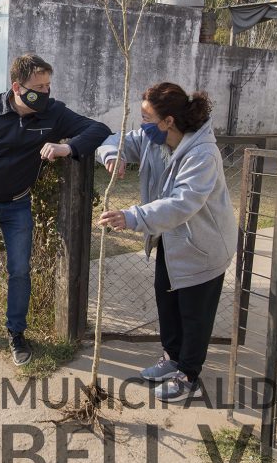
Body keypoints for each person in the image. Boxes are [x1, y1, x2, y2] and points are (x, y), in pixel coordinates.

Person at [0, 53, 111, 366]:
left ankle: (16, 333)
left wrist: (67, 148)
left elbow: (98, 129)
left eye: (48, 85)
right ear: (17, 87)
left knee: (19, 270)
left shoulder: (53, 113)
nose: (45, 93)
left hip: (17, 204)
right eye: (39, 87)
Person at [96, 82, 236, 402]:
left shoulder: (203, 154)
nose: (141, 124)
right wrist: (111, 156)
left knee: (194, 313)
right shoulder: (152, 139)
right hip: (171, 242)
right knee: (167, 302)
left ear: (168, 121)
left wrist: (132, 217)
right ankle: (171, 358)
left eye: (147, 117)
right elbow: (114, 139)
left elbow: (182, 203)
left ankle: (188, 375)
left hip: (204, 247)